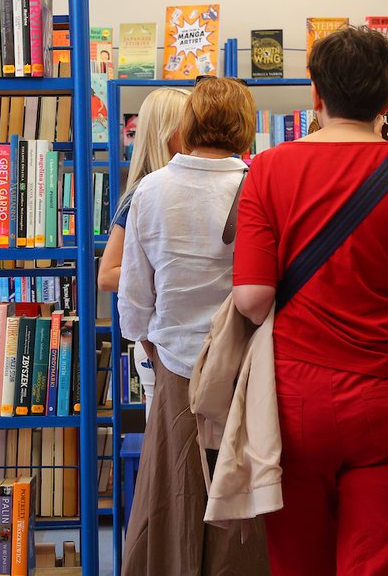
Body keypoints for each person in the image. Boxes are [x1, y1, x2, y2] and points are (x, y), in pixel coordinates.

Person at [232, 26, 388, 575]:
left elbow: (252, 296)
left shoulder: (266, 169)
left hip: (292, 403)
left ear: (315, 94)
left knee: (296, 561)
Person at [118, 77, 270, 575]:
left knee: (170, 500)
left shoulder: (150, 191)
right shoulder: (259, 185)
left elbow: (135, 296)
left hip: (174, 369)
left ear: (187, 125)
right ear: (246, 130)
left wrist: (150, 344)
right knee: (243, 503)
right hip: (248, 373)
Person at [97, 88, 191, 415]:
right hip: (158, 347)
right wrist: (171, 271)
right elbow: (107, 274)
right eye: (189, 124)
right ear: (168, 132)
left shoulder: (174, 186)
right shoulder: (144, 192)